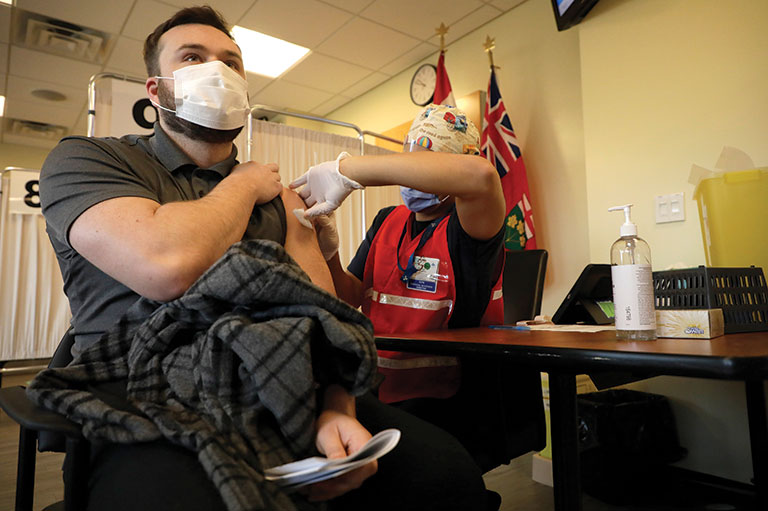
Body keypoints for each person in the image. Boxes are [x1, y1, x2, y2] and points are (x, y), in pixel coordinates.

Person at [37, 6, 490, 511]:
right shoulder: (91, 160)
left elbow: (323, 317)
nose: (218, 71)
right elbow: (166, 264)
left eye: (231, 63)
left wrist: (334, 407)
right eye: (193, 57)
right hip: (140, 391)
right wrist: (245, 183)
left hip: (281, 381)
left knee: (445, 476)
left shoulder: (284, 199)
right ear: (156, 88)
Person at [291, 104, 512, 475]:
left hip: (444, 399)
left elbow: (482, 177)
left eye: (428, 162)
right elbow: (351, 296)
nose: (413, 173)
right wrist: (328, 255)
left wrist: (346, 171)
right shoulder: (387, 221)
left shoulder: (471, 228)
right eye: (410, 158)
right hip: (377, 386)